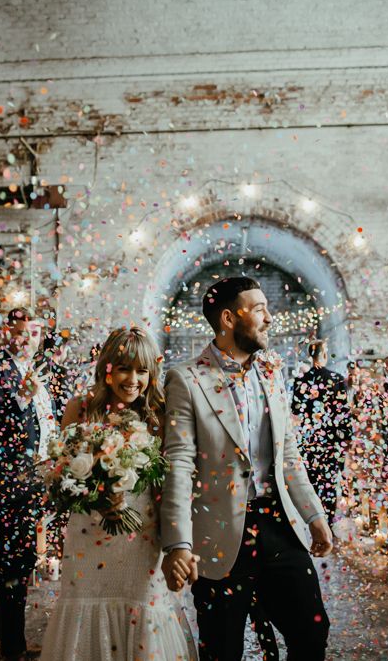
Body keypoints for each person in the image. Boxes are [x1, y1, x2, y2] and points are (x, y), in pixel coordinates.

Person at [160, 276, 332, 661]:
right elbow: (179, 464)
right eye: (259, 309)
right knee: (222, 649)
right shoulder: (186, 379)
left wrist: (314, 513)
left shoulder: (272, 371)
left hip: (277, 525)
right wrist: (178, 544)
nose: (270, 318)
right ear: (227, 318)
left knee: (312, 632)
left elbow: (288, 453)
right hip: (219, 532)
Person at [40, 327, 195, 661]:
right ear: (107, 368)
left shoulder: (158, 415)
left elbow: (170, 482)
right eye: (124, 368)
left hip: (141, 536)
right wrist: (94, 495)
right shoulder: (80, 408)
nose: (133, 380)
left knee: (141, 608)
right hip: (87, 533)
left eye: (142, 371)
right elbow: (61, 473)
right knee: (86, 606)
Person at [0, 307, 53, 661]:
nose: (27, 339)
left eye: (34, 333)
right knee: (13, 565)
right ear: (8, 332)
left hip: (32, 480)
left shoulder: (35, 372)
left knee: (21, 562)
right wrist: (21, 396)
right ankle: (12, 646)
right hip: (6, 484)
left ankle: (8, 639)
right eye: (21, 332)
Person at [292, 339, 353, 523]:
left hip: (309, 437)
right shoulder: (335, 379)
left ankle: (312, 519)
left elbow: (295, 410)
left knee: (310, 479)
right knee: (328, 482)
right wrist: (347, 437)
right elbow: (343, 411)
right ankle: (327, 519)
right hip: (330, 439)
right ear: (324, 355)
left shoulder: (301, 380)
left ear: (311, 355)